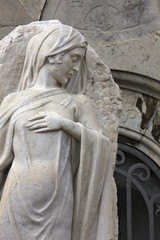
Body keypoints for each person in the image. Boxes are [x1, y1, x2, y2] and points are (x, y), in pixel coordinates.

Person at [0, 23, 113, 240]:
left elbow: (103, 147)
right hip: (17, 197)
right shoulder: (13, 101)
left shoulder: (78, 103)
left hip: (59, 199)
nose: (77, 68)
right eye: (74, 58)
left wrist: (66, 125)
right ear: (52, 55)